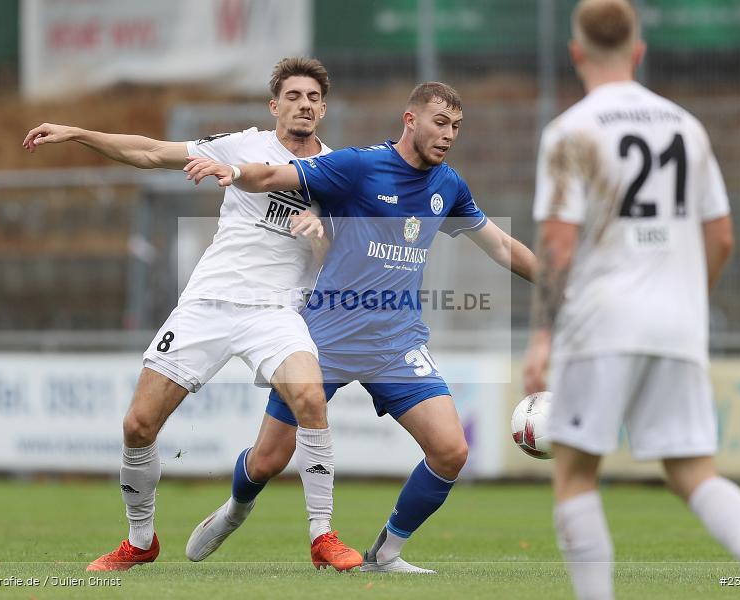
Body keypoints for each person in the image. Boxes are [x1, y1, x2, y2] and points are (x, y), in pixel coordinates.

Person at [22, 57, 362, 572]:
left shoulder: (335, 171)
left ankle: (322, 536)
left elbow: (340, 257)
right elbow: (151, 151)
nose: (304, 105)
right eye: (293, 96)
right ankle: (140, 541)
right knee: (138, 425)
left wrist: (320, 235)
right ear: (275, 106)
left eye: (313, 98)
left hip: (276, 312)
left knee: (311, 397)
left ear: (324, 108)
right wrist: (77, 133)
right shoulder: (242, 144)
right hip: (208, 303)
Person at [184, 81, 537, 573]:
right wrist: (235, 169)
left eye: (456, 127)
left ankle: (385, 554)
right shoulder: (358, 166)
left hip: (396, 345)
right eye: (440, 123)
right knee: (266, 461)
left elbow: (500, 245)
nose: (449, 135)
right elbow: (275, 175)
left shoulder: (448, 185)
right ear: (409, 120)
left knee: (451, 451)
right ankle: (234, 510)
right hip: (325, 339)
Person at [521, 1, 740, 599]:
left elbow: (557, 244)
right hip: (678, 323)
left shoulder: (571, 130)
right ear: (638, 51)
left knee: (574, 474)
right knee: (695, 473)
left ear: (576, 53)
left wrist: (541, 336)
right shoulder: (685, 126)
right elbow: (720, 235)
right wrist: (687, 301)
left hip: (601, 322)